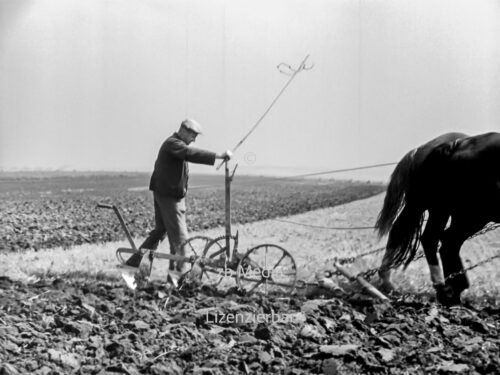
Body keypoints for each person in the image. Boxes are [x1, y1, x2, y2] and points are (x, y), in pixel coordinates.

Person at [125, 118, 232, 273]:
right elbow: (191, 153)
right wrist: (219, 156)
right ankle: (178, 277)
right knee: (181, 241)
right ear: (183, 130)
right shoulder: (173, 144)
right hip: (169, 198)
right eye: (193, 135)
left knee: (160, 232)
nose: (194, 139)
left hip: (167, 195)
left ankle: (133, 265)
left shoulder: (175, 145)